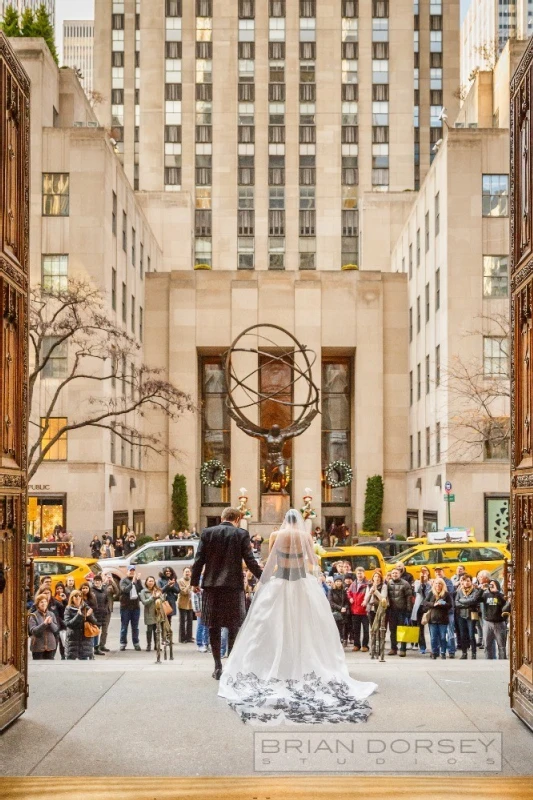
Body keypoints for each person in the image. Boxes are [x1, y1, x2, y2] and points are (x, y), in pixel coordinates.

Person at [218, 509, 376, 724]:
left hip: (281, 583)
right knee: (305, 627)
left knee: (271, 626)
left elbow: (271, 562)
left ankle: (275, 663)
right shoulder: (305, 537)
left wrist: (263, 583)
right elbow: (313, 562)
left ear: (284, 520)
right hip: (302, 584)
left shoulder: (276, 536)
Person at [191, 507, 263, 680]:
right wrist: (264, 577)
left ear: (222, 517)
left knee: (213, 626)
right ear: (237, 519)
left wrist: (194, 582)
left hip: (211, 586)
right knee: (233, 625)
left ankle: (217, 666)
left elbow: (199, 559)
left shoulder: (208, 533)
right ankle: (230, 663)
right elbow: (250, 560)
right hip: (233, 586)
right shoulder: (241, 534)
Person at [422, 576, 453, 660]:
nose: (438, 585)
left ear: (443, 585)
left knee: (443, 637)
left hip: (443, 619)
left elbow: (450, 605)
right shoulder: (431, 593)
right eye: (436, 583)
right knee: (433, 638)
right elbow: (424, 602)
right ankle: (434, 652)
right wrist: (433, 604)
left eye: (440, 584)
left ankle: (443, 652)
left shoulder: (446, 594)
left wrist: (442, 603)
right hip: (433, 619)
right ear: (434, 585)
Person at [455, 573, 483, 660]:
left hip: (471, 615)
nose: (466, 583)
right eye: (464, 581)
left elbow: (473, 600)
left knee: (471, 635)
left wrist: (462, 601)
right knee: (463, 635)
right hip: (461, 615)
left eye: (468, 581)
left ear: (471, 582)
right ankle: (464, 653)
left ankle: (473, 653)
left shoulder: (475, 591)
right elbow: (456, 602)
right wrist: (466, 604)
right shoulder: (459, 591)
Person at [387, 567, 413, 657]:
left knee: (402, 630)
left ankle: (403, 649)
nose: (394, 575)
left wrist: (409, 610)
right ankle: (393, 648)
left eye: (396, 573)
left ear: (400, 574)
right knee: (392, 630)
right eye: (393, 573)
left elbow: (409, 598)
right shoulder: (388, 583)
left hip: (402, 610)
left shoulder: (405, 584)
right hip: (392, 611)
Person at [64, 590, 97, 660]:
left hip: (85, 640)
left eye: (79, 596)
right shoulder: (68, 609)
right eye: (75, 596)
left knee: (84, 664)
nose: (78, 597)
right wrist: (78, 616)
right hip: (73, 640)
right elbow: (68, 624)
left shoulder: (86, 608)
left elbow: (94, 622)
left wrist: (89, 616)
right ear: (72, 598)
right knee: (71, 664)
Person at [480, 578, 508, 659]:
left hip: (499, 623)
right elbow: (477, 599)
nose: (491, 586)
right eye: (490, 585)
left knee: (501, 646)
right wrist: (481, 589)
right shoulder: (486, 595)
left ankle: (502, 662)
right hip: (488, 622)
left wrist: (497, 592)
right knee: (487, 645)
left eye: (493, 585)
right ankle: (488, 661)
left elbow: (503, 604)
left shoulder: (501, 595)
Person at [433, 566, 456, 658]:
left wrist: (440, 600)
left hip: (448, 612)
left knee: (450, 632)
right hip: (437, 613)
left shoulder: (448, 582)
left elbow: (448, 594)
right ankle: (438, 651)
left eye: (440, 571)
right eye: (436, 572)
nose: (438, 573)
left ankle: (451, 651)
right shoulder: (433, 583)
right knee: (439, 634)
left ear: (443, 572)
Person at [119, 565, 143, 651]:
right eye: (130, 571)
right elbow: (124, 590)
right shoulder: (123, 580)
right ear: (127, 571)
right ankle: (123, 643)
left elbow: (140, 589)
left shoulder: (136, 580)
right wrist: (132, 583)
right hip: (125, 607)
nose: (132, 572)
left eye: (133, 571)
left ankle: (136, 643)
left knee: (135, 627)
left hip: (135, 607)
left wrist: (138, 580)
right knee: (124, 626)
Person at [28, 594, 59, 660]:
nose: (44, 603)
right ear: (37, 604)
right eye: (41, 602)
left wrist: (51, 623)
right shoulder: (33, 615)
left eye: (45, 601)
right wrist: (44, 624)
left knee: (50, 667)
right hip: (37, 647)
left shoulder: (51, 614)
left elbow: (56, 629)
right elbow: (33, 631)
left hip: (50, 646)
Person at [348, 566, 369, 652]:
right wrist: (350, 598)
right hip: (355, 610)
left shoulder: (368, 584)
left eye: (361, 573)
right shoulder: (353, 584)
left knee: (366, 630)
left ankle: (365, 645)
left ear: (364, 573)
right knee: (356, 630)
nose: (359, 575)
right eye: (358, 573)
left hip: (364, 611)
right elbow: (348, 592)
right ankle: (357, 645)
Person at [411, 566, 432, 654]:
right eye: (422, 571)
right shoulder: (417, 582)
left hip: (429, 606)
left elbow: (429, 594)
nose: (424, 573)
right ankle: (422, 646)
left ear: (428, 573)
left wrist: (427, 583)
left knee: (432, 627)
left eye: (425, 571)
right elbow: (417, 591)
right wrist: (421, 582)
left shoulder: (432, 582)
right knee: (420, 628)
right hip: (420, 606)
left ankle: (435, 646)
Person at [98, 573, 118, 652]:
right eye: (105, 576)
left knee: (105, 629)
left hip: (108, 610)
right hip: (99, 610)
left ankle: (102, 645)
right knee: (97, 628)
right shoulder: (99, 585)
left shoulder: (111, 586)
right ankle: (96, 645)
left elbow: (117, 593)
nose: (107, 578)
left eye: (109, 576)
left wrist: (113, 582)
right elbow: (102, 592)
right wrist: (104, 583)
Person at [140, 576, 161, 651]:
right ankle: (149, 645)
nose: (151, 582)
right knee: (149, 630)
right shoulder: (143, 591)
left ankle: (157, 645)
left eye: (152, 581)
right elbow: (144, 602)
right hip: (149, 613)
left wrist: (159, 596)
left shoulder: (157, 590)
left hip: (157, 612)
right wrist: (152, 597)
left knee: (157, 630)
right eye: (149, 581)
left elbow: (163, 600)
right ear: (146, 582)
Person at [91, 574, 110, 656]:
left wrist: (106, 609)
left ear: (101, 582)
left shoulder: (104, 590)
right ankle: (95, 647)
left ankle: (100, 646)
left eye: (98, 581)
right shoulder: (91, 591)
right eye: (95, 581)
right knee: (96, 631)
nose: (97, 582)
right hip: (95, 614)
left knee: (103, 631)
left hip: (103, 614)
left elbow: (107, 601)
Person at [329, 575, 349, 644]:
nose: (338, 583)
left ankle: (341, 641)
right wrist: (340, 608)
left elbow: (347, 601)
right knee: (335, 628)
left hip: (343, 613)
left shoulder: (343, 591)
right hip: (335, 612)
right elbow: (331, 602)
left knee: (342, 629)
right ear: (334, 582)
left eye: (340, 581)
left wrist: (345, 608)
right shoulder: (331, 591)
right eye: (337, 581)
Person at [178, 567, 195, 643]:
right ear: (183, 573)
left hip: (191, 604)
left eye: (188, 572)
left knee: (190, 620)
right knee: (182, 621)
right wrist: (189, 586)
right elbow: (183, 592)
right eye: (186, 572)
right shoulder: (180, 581)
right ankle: (182, 638)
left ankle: (189, 637)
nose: (187, 573)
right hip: (182, 603)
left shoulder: (192, 580)